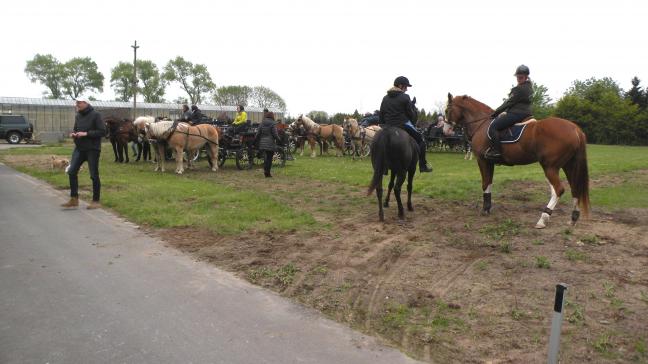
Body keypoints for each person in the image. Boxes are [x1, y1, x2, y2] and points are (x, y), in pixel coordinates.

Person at [379, 76, 432, 172]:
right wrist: (411, 121)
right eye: (406, 87)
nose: (407, 89)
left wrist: (383, 125)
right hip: (402, 124)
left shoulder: (385, 98)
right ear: (400, 86)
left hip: (387, 126)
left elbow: (381, 113)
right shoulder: (405, 97)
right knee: (421, 140)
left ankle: (383, 167)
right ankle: (423, 165)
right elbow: (410, 114)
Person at [61, 97, 106, 209]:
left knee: (93, 175)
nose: (77, 104)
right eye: (76, 103)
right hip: (80, 148)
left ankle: (96, 201)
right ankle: (74, 199)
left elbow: (103, 131)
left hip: (92, 149)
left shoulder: (96, 115)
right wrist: (74, 134)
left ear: (86, 103)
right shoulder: (78, 115)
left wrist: (86, 134)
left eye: (79, 103)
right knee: (71, 172)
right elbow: (76, 129)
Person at [485, 65, 533, 160]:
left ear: (526, 77)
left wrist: (495, 113)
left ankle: (497, 152)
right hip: (526, 113)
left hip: (517, 114)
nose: (519, 79)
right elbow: (516, 102)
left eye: (521, 77)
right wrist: (506, 112)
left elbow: (508, 102)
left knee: (493, 127)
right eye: (518, 77)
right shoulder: (530, 88)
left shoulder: (519, 89)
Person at [255, 111, 281, 177]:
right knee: (269, 158)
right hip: (270, 143)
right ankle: (267, 173)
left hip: (262, 143)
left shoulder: (262, 122)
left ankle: (265, 171)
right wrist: (279, 139)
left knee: (265, 158)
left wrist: (255, 141)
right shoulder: (273, 123)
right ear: (272, 116)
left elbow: (258, 133)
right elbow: (275, 134)